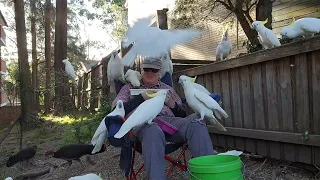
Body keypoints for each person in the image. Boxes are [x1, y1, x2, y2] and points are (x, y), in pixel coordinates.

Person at [112, 57, 215, 180]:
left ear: (160, 73)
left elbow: (183, 115)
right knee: (153, 130)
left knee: (195, 122)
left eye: (154, 70)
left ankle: (208, 175)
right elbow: (115, 111)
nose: (149, 72)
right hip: (141, 125)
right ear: (141, 71)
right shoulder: (128, 88)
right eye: (146, 69)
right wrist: (140, 98)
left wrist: (172, 104)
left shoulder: (168, 89)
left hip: (169, 123)